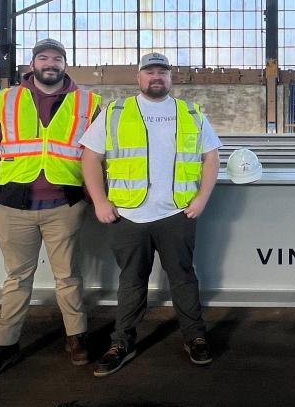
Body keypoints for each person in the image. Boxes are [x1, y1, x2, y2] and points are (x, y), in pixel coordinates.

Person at [80, 52, 221, 376]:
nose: (156, 77)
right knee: (131, 282)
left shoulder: (191, 113)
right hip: (128, 216)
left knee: (183, 278)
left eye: (162, 71)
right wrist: (100, 202)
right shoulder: (116, 112)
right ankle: (122, 343)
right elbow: (89, 158)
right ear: (139, 77)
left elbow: (211, 158)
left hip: (177, 214)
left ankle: (195, 338)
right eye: (149, 72)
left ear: (170, 78)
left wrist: (201, 199)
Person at [0, 39, 101, 384]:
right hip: (12, 207)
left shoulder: (89, 103)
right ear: (33, 63)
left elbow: (99, 154)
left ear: (65, 65)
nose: (50, 63)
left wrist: (90, 198)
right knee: (16, 278)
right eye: (43, 57)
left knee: (68, 277)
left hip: (65, 206)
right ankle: (4, 346)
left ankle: (77, 339)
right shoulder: (7, 100)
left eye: (57, 58)